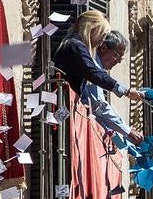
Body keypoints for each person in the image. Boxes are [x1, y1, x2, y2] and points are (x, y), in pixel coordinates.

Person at [53, 11, 145, 145]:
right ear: (92, 29)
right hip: (62, 105)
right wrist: (125, 91)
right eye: (102, 35)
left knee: (56, 135)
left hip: (62, 107)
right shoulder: (76, 46)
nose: (102, 41)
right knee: (56, 139)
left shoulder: (72, 44)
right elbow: (93, 74)